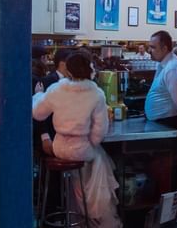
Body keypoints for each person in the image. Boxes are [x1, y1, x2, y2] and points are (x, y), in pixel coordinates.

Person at [32, 52, 120, 227]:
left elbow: (37, 113)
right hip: (82, 149)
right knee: (99, 159)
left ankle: (76, 207)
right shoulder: (97, 93)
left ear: (69, 70)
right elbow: (100, 130)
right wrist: (91, 143)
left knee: (88, 165)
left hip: (60, 147)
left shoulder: (57, 89)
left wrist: (38, 95)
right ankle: (91, 213)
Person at [145, 31, 177, 128]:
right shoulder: (165, 64)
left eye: (153, 47)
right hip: (163, 122)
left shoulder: (173, 68)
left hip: (169, 123)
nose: (149, 50)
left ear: (164, 48)